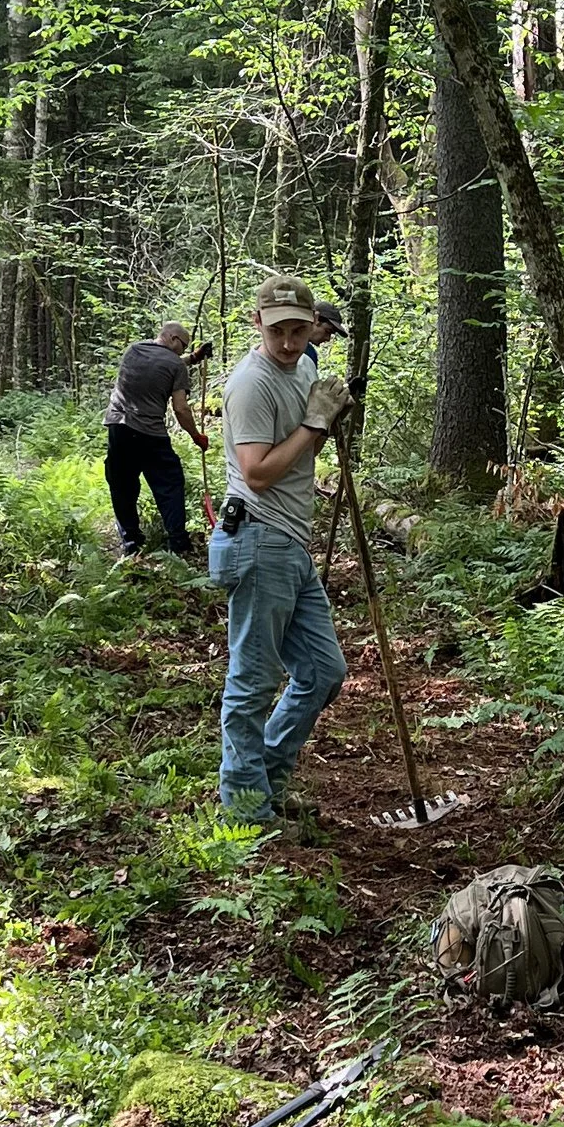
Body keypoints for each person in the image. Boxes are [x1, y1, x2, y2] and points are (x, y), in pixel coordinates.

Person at [211, 275, 355, 817]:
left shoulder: (306, 367)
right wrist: (316, 422)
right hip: (256, 539)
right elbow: (257, 472)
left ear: (313, 325)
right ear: (258, 325)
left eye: (299, 330)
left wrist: (325, 417)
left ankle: (266, 777)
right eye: (279, 333)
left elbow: (305, 437)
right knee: (253, 682)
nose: (290, 343)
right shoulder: (252, 383)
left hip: (291, 544)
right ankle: (245, 809)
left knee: (322, 671)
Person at [104, 320, 208, 560]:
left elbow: (163, 364)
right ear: (172, 339)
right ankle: (178, 545)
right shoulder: (175, 365)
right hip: (150, 434)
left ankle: (131, 545)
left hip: (118, 428)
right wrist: (196, 436)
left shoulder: (135, 350)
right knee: (170, 485)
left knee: (122, 487)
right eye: (183, 345)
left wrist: (193, 358)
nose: (182, 350)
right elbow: (181, 409)